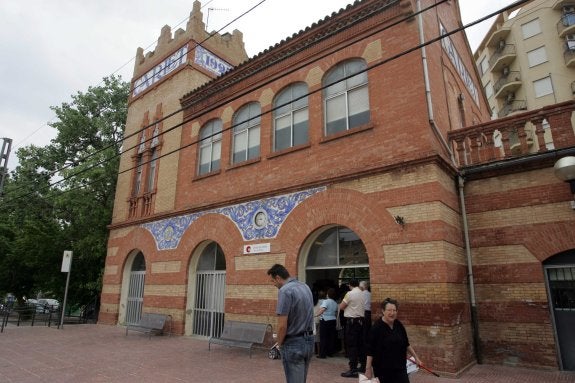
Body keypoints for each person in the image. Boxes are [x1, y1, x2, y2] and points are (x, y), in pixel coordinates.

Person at [268, 264, 315, 383]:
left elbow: (282, 326)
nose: (273, 284)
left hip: (293, 343)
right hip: (309, 341)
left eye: (273, 281)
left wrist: (279, 343)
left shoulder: (285, 291)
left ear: (278, 278)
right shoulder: (305, 287)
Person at [364, 298, 422, 383]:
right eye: (389, 310)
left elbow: (406, 343)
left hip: (400, 367)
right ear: (383, 311)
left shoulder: (398, 324)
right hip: (383, 370)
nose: (392, 313)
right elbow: (370, 351)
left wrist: (416, 358)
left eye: (394, 310)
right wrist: (368, 369)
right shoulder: (376, 328)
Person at [339, 279, 366, 378]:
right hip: (361, 322)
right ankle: (363, 366)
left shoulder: (349, 294)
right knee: (361, 345)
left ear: (350, 285)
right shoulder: (363, 293)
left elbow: (342, 307)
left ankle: (353, 369)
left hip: (352, 322)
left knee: (352, 346)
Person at [315, 287, 338, 358]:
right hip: (333, 320)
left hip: (325, 320)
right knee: (331, 337)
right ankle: (330, 353)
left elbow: (323, 309)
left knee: (323, 337)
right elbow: (336, 312)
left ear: (328, 294)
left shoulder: (326, 301)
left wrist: (316, 315)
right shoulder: (335, 302)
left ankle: (322, 354)